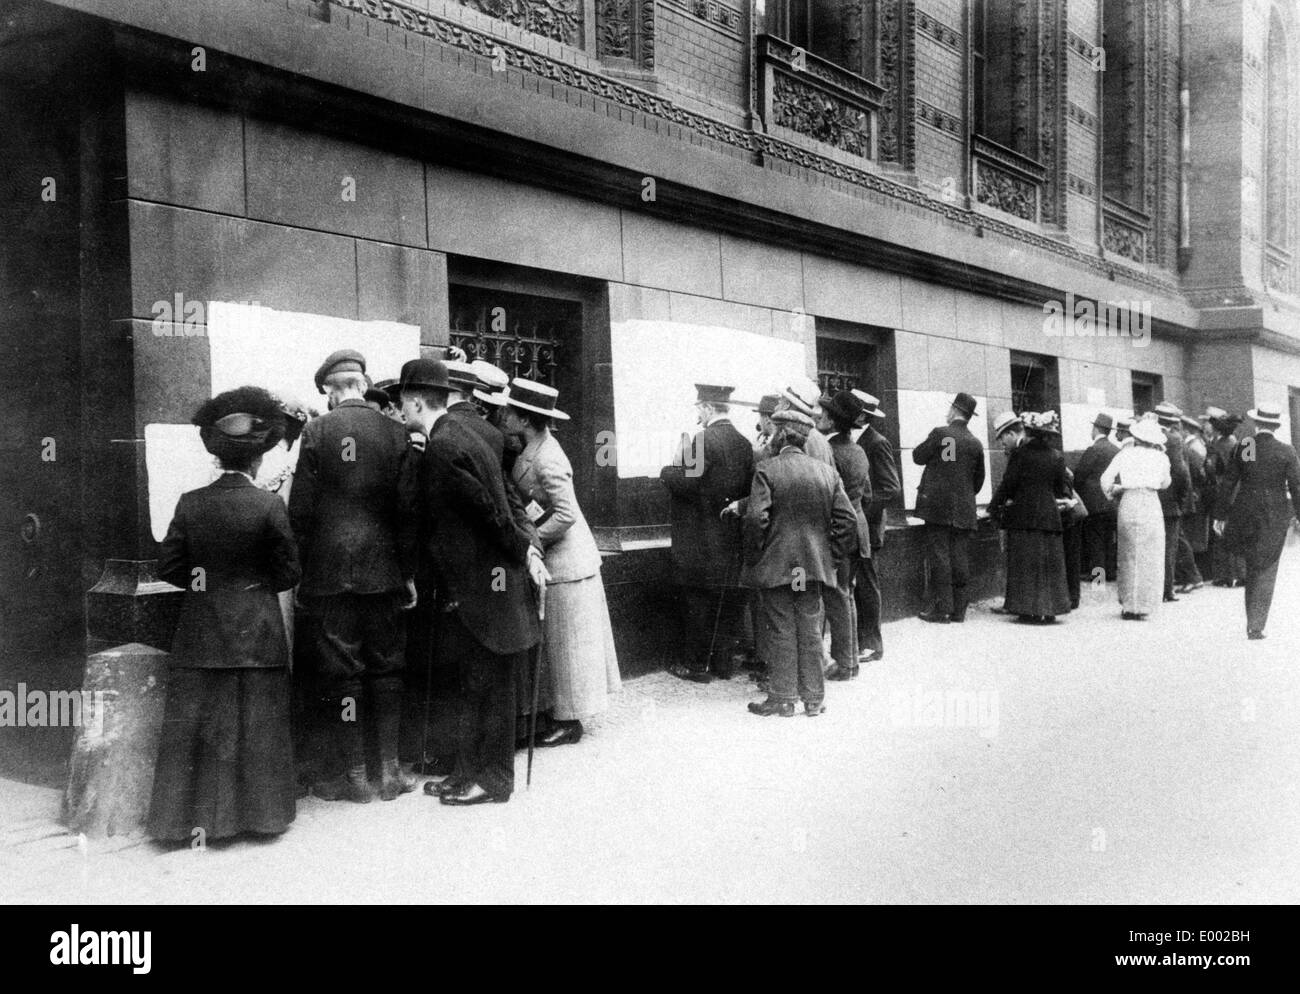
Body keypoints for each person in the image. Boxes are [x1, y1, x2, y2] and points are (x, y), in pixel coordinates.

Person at [148, 387, 301, 842]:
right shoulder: (269, 505)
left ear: (217, 457)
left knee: (196, 729)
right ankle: (261, 820)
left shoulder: (190, 503)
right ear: (257, 460)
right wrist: (253, 589)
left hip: (200, 632)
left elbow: (171, 566)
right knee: (256, 725)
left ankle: (182, 825)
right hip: (257, 633)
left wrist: (206, 584)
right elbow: (289, 572)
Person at [400, 358, 548, 805]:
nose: (401, 412)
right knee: (475, 683)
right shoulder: (470, 433)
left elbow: (492, 510)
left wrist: (524, 550)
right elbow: (506, 500)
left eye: (402, 404)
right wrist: (529, 547)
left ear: (415, 402)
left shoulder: (444, 445)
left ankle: (495, 780)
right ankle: (467, 772)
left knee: (492, 686)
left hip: (486, 587)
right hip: (480, 586)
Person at [288, 349, 419, 803]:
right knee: (387, 670)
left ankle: (357, 776)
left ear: (330, 390)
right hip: (384, 572)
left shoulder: (316, 431)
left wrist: (303, 574)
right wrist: (408, 572)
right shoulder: (397, 432)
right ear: (363, 385)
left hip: (329, 576)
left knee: (345, 676)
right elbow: (408, 512)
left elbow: (299, 512)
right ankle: (390, 772)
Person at [501, 378, 621, 745]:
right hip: (559, 562)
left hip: (569, 564)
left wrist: (533, 541)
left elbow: (566, 513)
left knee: (569, 644)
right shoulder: (533, 446)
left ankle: (570, 722)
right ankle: (562, 714)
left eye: (509, 412)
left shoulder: (549, 455)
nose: (503, 416)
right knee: (561, 644)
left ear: (524, 419)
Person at [743, 411, 857, 717]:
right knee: (809, 627)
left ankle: (782, 697)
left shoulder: (767, 469)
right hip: (811, 566)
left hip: (779, 564)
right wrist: (830, 555)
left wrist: (756, 553)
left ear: (780, 435)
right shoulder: (826, 473)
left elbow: (756, 517)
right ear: (804, 438)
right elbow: (847, 521)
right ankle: (813, 699)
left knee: (780, 627)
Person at [660, 383, 754, 683]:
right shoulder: (743, 443)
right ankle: (724, 665)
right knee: (725, 601)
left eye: (699, 408)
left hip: (700, 539)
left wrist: (668, 469)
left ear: (709, 408)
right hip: (730, 536)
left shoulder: (702, 441)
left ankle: (696, 666)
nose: (698, 414)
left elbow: (685, 482)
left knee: (698, 601)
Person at [1212, 403, 1300, 640]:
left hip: (1245, 511)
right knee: (1267, 565)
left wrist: (1220, 515)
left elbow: (1229, 482)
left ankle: (1251, 617)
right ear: (1275, 426)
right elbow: (1296, 487)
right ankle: (1256, 624)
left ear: (1257, 424)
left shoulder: (1247, 445)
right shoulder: (1286, 451)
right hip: (1274, 513)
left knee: (1252, 564)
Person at [988, 411, 1072, 623]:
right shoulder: (1056, 456)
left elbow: (1008, 484)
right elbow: (1061, 488)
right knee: (1049, 563)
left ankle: (1027, 609)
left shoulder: (1020, 455)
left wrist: (993, 506)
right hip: (1049, 516)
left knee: (1025, 563)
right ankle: (1050, 610)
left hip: (1024, 516)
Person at [913, 392, 985, 623]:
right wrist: (962, 496)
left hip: (938, 509)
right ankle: (959, 610)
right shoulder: (975, 442)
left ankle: (942, 608)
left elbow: (918, 457)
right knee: (959, 557)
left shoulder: (943, 434)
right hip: (963, 509)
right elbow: (978, 480)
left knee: (940, 557)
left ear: (954, 410)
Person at [819, 391, 871, 681]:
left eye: (825, 414)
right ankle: (850, 660)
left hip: (839, 529)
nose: (821, 417)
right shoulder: (859, 450)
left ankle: (844, 662)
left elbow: (829, 496)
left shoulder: (830, 451)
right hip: (858, 528)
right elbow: (868, 494)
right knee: (847, 594)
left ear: (832, 419)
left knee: (837, 595)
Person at [1100, 419, 1171, 620]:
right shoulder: (1161, 458)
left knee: (1128, 553)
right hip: (1150, 502)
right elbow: (1165, 483)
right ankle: (1145, 604)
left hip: (1129, 502)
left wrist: (1112, 494)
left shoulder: (1125, 454)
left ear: (1136, 437)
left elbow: (1105, 479)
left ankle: (1129, 604)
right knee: (1150, 554)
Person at [852, 391, 900, 662]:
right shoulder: (855, 440)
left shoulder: (876, 443)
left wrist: (861, 513)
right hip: (858, 526)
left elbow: (891, 488)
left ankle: (872, 643)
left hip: (868, 527)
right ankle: (861, 642)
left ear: (860, 417)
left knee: (867, 585)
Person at [1153, 402, 1192, 602]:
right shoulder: (1174, 439)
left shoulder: (1147, 436)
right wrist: (1181, 498)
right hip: (1169, 501)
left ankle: (1152, 588)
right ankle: (1167, 590)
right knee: (1169, 547)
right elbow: (1181, 472)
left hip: (1150, 499)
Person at [1074, 413, 1119, 582]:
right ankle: (1111, 573)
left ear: (1095, 429)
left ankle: (1098, 579)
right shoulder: (1116, 450)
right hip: (1111, 502)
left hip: (1094, 505)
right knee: (1110, 539)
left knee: (1096, 543)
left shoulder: (1093, 449)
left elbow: (1079, 476)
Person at [1207, 411, 1247, 587]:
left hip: (1223, 490)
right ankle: (1241, 574)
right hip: (1239, 492)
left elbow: (1211, 469)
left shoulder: (1217, 445)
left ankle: (1225, 575)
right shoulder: (1240, 444)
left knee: (1221, 533)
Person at [1174, 414, 1209, 593]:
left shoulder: (1190, 446)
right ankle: (1190, 576)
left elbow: (1199, 472)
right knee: (1185, 538)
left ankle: (1193, 577)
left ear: (1185, 428)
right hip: (1188, 497)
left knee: (1185, 539)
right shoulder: (1190, 445)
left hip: (1188, 498)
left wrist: (1194, 491)